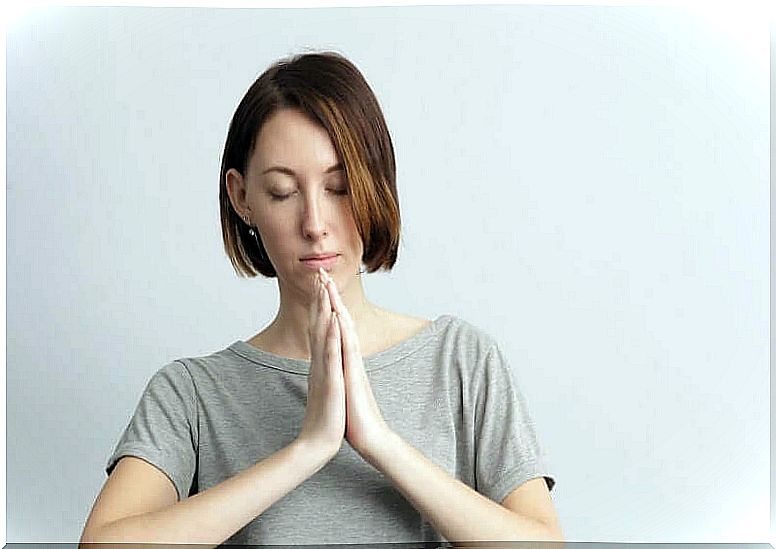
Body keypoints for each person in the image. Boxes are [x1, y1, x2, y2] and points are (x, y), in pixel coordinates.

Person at [79, 51, 562, 547]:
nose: (314, 224)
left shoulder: (461, 361)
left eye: (339, 188)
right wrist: (308, 448)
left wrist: (377, 441)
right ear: (242, 198)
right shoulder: (192, 393)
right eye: (284, 192)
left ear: (376, 187)